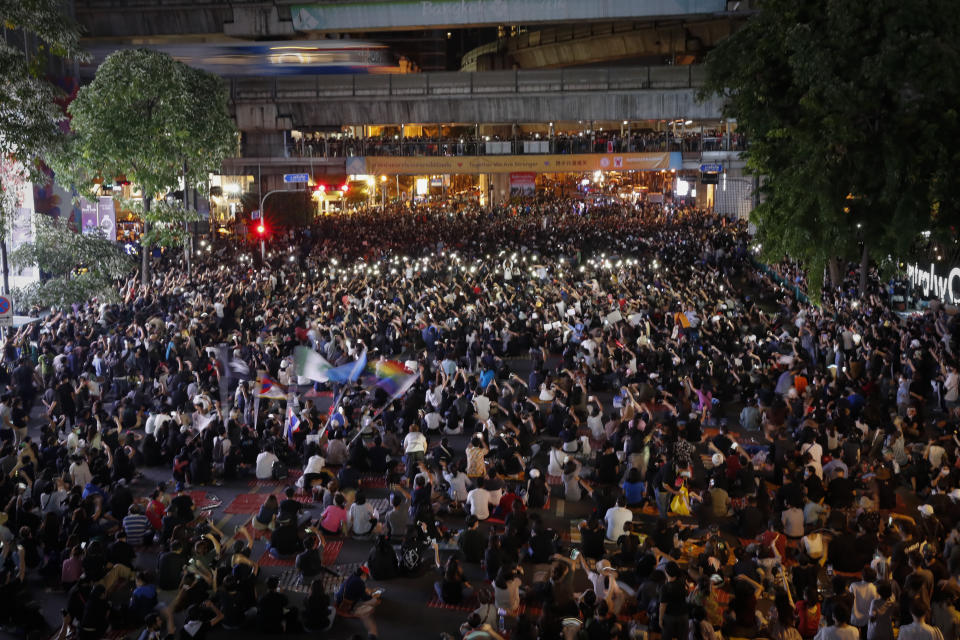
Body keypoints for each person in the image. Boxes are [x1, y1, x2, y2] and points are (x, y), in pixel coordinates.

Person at [335, 565, 382, 640]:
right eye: (366, 576)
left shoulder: (352, 577)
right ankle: (356, 611)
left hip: (338, 599)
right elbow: (365, 598)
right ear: (363, 574)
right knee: (374, 601)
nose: (367, 578)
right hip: (346, 604)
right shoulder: (360, 583)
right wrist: (374, 596)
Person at [659, 561, 689, 640]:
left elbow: (663, 605)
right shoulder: (683, 583)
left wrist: (660, 619)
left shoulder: (665, 588)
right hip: (683, 615)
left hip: (670, 617)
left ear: (666, 572)